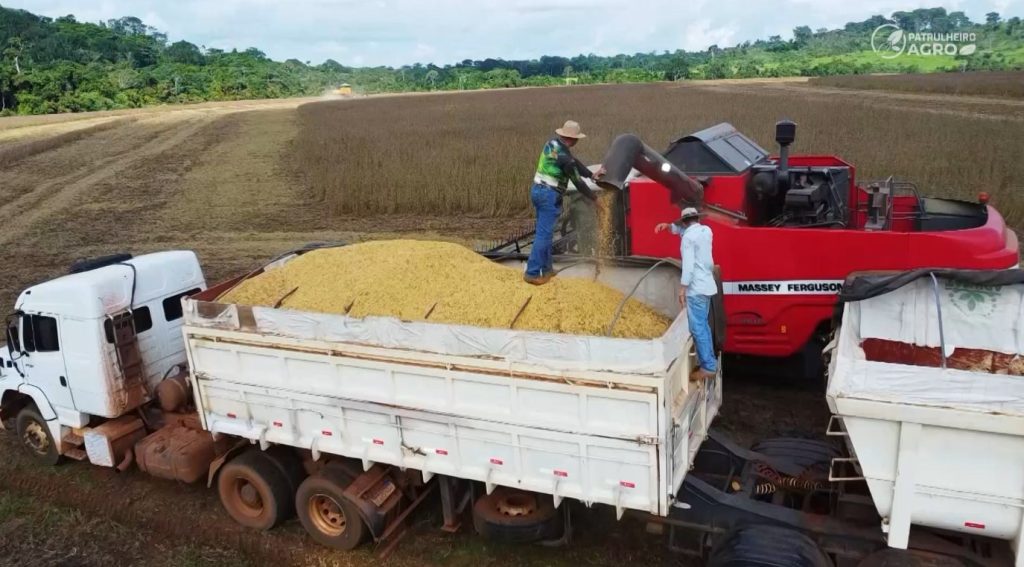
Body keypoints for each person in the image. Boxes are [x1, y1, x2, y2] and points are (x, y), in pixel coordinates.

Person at [524, 120, 602, 285]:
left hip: (537, 191)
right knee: (544, 235)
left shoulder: (552, 144)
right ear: (573, 139)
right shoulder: (566, 160)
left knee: (545, 232)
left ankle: (546, 269)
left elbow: (575, 162)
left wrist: (591, 174)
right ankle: (532, 273)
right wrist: (595, 199)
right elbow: (578, 182)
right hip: (549, 195)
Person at [655, 207, 718, 379]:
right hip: (707, 286)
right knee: (703, 325)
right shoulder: (706, 231)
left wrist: (682, 289)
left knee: (697, 328)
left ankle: (708, 367)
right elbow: (686, 231)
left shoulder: (688, 239)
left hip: (696, 288)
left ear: (683, 222)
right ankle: (710, 361)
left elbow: (688, 267)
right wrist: (669, 226)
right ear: (697, 219)